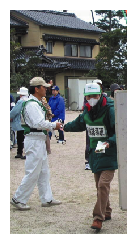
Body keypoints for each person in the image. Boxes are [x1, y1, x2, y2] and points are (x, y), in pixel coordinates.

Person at [63, 82, 117, 231]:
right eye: (89, 96)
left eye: (95, 96)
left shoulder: (110, 109)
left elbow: (120, 131)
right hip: (95, 150)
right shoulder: (87, 110)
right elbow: (79, 124)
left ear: (100, 95)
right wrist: (63, 127)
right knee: (99, 185)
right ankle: (107, 211)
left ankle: (98, 218)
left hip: (109, 150)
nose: (92, 99)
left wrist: (110, 142)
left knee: (102, 185)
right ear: (85, 97)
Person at [10, 77, 62, 211]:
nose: (46, 89)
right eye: (43, 87)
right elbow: (38, 123)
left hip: (38, 139)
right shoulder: (32, 104)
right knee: (33, 171)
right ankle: (19, 198)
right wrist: (53, 125)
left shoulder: (36, 102)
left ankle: (47, 198)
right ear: (37, 88)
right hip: (34, 139)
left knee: (44, 170)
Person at [10, 87, 29, 159]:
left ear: (21, 95)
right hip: (27, 123)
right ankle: (25, 152)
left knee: (20, 138)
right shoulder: (29, 100)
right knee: (26, 138)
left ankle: (19, 152)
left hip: (21, 122)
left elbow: (14, 111)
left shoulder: (20, 102)